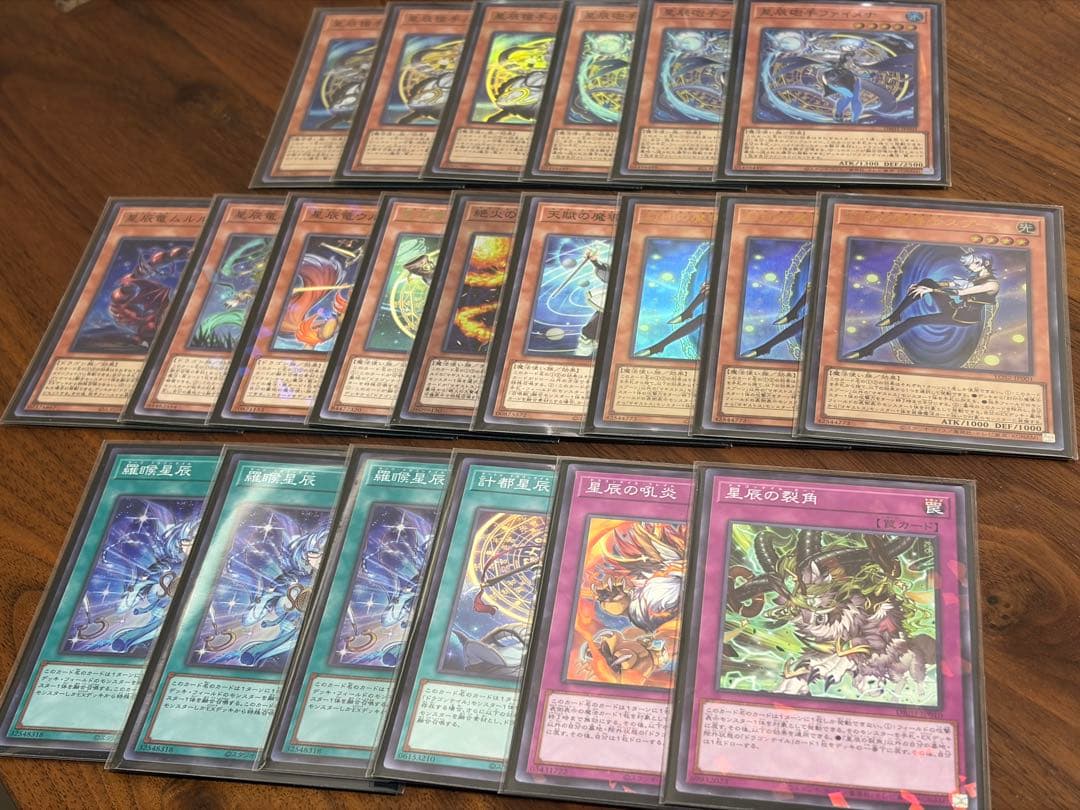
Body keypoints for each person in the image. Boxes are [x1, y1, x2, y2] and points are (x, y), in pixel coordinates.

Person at [843, 250, 1000, 361]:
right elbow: (952, 283)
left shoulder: (991, 284)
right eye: (970, 263)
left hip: (963, 318)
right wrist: (926, 286)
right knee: (927, 281)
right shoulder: (976, 278)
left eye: (975, 263)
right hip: (955, 308)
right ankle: (895, 315)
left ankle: (867, 350)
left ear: (985, 263)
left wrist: (931, 290)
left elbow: (960, 292)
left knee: (912, 321)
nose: (970, 266)